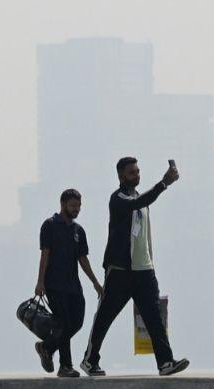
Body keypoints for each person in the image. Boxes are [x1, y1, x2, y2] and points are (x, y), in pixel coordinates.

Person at [80, 157, 191, 377]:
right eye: (132, 173)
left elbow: (143, 230)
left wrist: (151, 262)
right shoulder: (118, 199)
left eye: (138, 172)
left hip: (144, 271)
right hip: (120, 271)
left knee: (154, 318)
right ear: (121, 176)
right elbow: (136, 205)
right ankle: (90, 360)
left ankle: (165, 362)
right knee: (104, 316)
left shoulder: (140, 199)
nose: (137, 176)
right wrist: (163, 183)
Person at [34, 189, 105, 377]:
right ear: (63, 204)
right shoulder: (49, 225)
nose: (77, 209)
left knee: (77, 322)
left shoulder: (78, 231)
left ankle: (47, 347)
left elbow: (83, 259)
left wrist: (96, 283)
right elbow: (45, 255)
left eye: (79, 206)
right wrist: (40, 282)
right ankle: (65, 366)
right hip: (54, 285)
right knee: (63, 323)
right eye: (73, 206)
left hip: (73, 285)